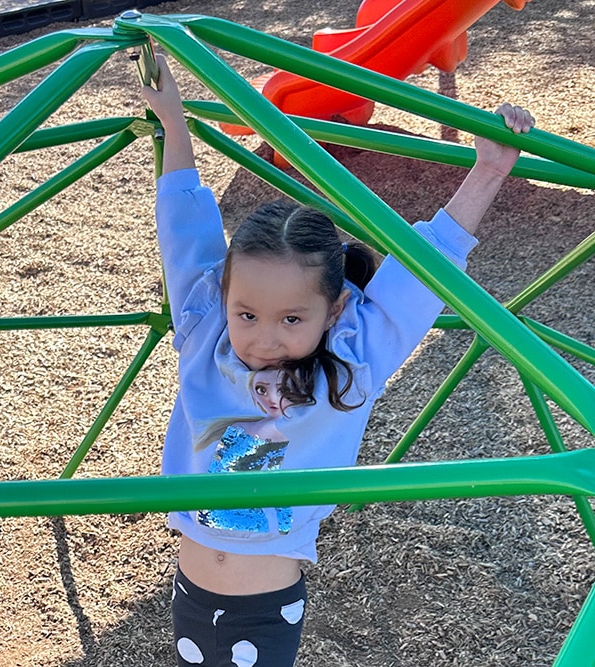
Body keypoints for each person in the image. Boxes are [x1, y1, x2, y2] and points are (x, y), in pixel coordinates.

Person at [140, 52, 533, 667]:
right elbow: (185, 225)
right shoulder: (203, 329)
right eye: (246, 314)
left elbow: (423, 273)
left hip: (266, 608)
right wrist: (175, 124)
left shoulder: (349, 367)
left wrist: (487, 170)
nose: (263, 339)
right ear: (223, 299)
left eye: (291, 320)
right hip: (188, 589)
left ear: (337, 311)